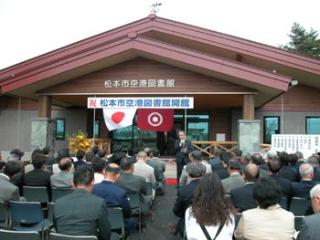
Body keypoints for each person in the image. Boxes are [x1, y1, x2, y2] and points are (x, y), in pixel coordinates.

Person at [54, 167, 111, 240]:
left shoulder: (58, 202)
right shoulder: (99, 203)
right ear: (93, 182)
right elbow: (105, 234)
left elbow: (57, 228)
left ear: (72, 183)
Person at [185, 173, 235, 240]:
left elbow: (188, 233)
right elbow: (230, 233)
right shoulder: (229, 213)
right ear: (221, 190)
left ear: (200, 190)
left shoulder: (190, 211)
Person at [93, 163, 134, 232]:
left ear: (104, 173)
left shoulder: (93, 188)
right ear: (117, 175)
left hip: (97, 224)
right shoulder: (120, 192)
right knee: (131, 221)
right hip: (116, 224)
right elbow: (127, 213)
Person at [172, 162, 206, 237]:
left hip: (189, 222)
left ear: (189, 174)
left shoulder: (183, 190)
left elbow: (176, 211)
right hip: (211, 219)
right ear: (203, 174)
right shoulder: (211, 188)